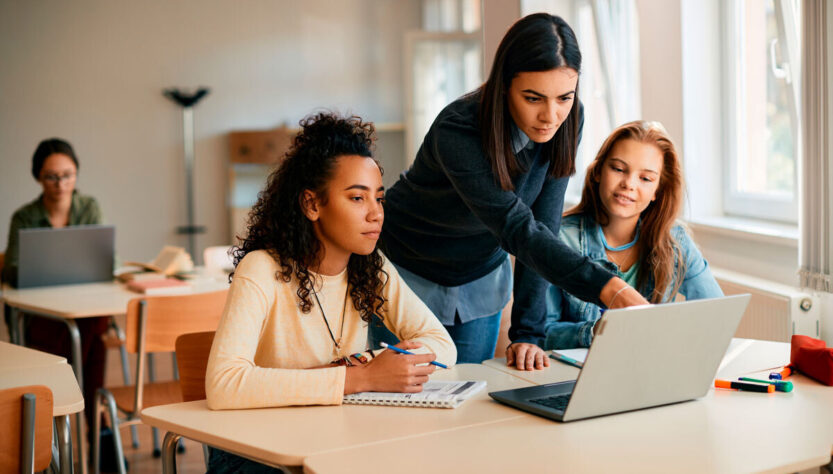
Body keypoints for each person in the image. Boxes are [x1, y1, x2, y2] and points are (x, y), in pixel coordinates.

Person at [373, 13, 648, 370]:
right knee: (403, 405)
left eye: (564, 97)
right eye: (533, 98)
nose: (551, 115)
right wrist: (610, 287)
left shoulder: (569, 120)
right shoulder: (457, 130)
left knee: (467, 404)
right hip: (407, 271)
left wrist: (527, 333)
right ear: (504, 86)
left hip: (479, 277)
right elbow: (516, 227)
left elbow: (542, 225)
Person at [205, 112, 456, 473]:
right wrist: (364, 377)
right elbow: (224, 384)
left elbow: (443, 345)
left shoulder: (371, 266)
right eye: (357, 198)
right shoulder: (261, 268)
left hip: (334, 439)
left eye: (379, 198)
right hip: (256, 451)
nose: (376, 214)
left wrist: (385, 365)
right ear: (312, 204)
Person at [543, 121, 723, 349]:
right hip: (577, 374)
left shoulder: (675, 240)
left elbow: (715, 313)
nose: (628, 184)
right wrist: (595, 331)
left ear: (657, 190)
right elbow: (539, 333)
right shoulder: (558, 238)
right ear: (598, 171)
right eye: (618, 169)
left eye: (645, 178)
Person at [1, 138, 118, 467]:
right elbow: (10, 268)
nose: (61, 184)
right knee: (90, 334)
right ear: (38, 177)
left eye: (68, 175)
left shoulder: (89, 206)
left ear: (76, 174)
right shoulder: (24, 216)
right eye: (52, 176)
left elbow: (107, 258)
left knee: (90, 324)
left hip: (84, 309)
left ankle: (64, 410)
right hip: (42, 314)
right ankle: (98, 424)